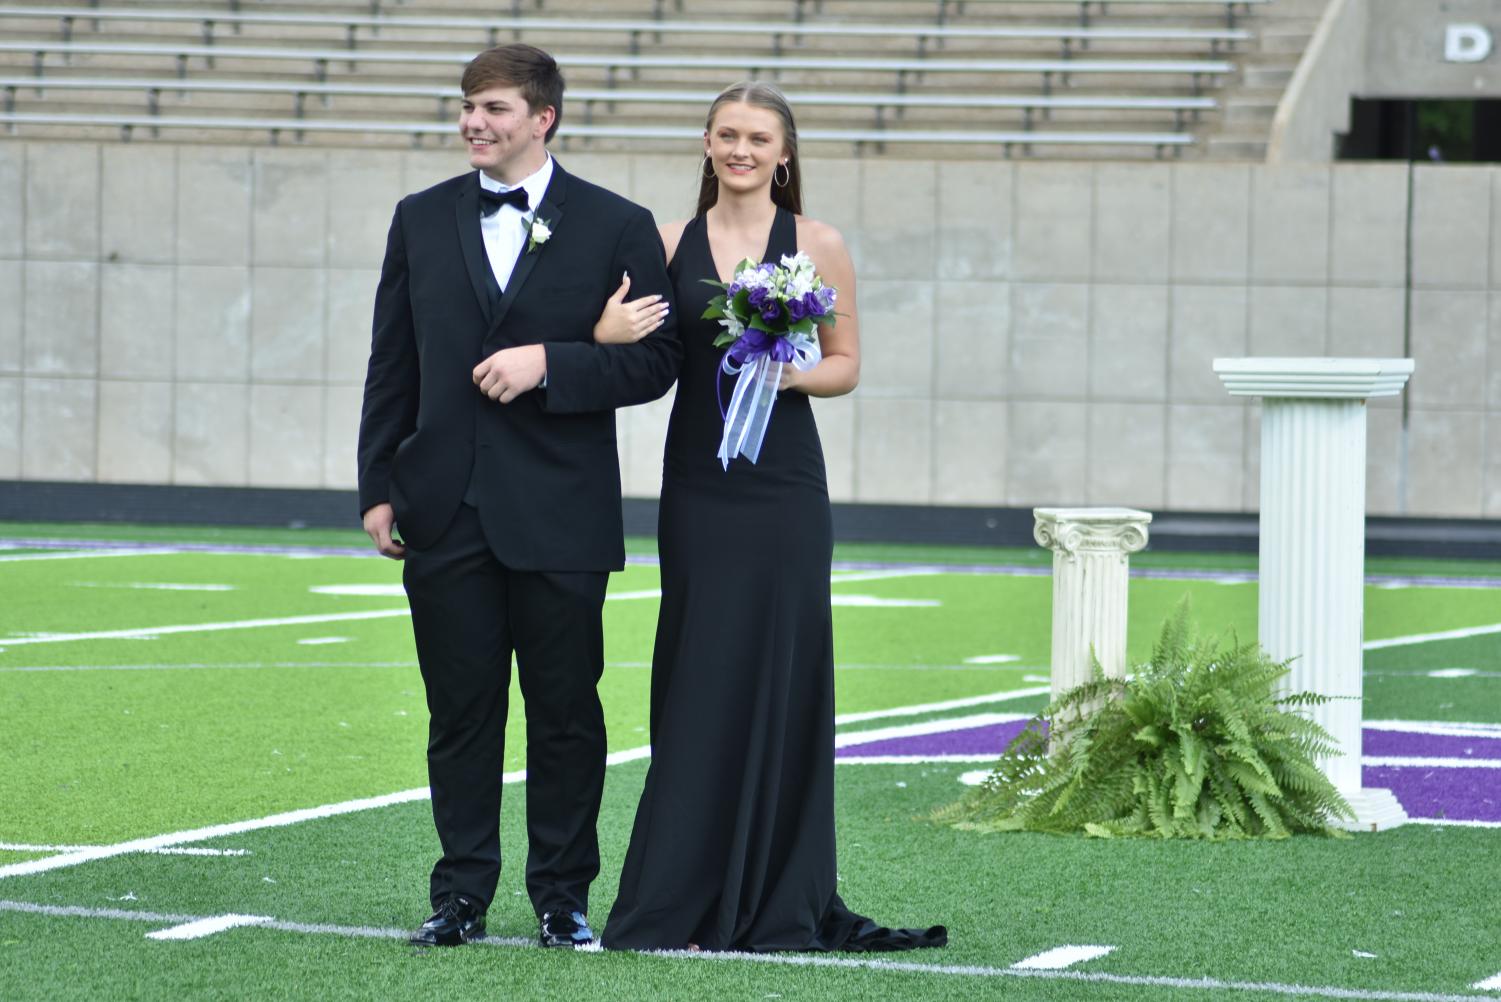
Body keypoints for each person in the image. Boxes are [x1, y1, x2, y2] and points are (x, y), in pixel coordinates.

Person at [595, 82, 947, 953]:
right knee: (698, 669)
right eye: (726, 134)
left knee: (783, 673)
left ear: (784, 154)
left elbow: (848, 364)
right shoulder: (667, 242)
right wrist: (604, 332)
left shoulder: (818, 243)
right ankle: (678, 893)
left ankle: (776, 893)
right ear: (705, 143)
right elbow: (640, 352)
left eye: (758, 137)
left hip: (785, 487)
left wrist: (784, 371)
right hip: (700, 487)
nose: (740, 149)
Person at [356, 43, 680, 950]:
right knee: (459, 713)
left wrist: (553, 361)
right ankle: (458, 896)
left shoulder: (619, 223)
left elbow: (657, 363)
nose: (472, 122)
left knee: (567, 714)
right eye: (466, 105)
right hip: (442, 503)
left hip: (561, 513)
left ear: (542, 119)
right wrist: (377, 485)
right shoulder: (419, 218)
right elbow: (393, 360)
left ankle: (562, 898)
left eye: (493, 108)